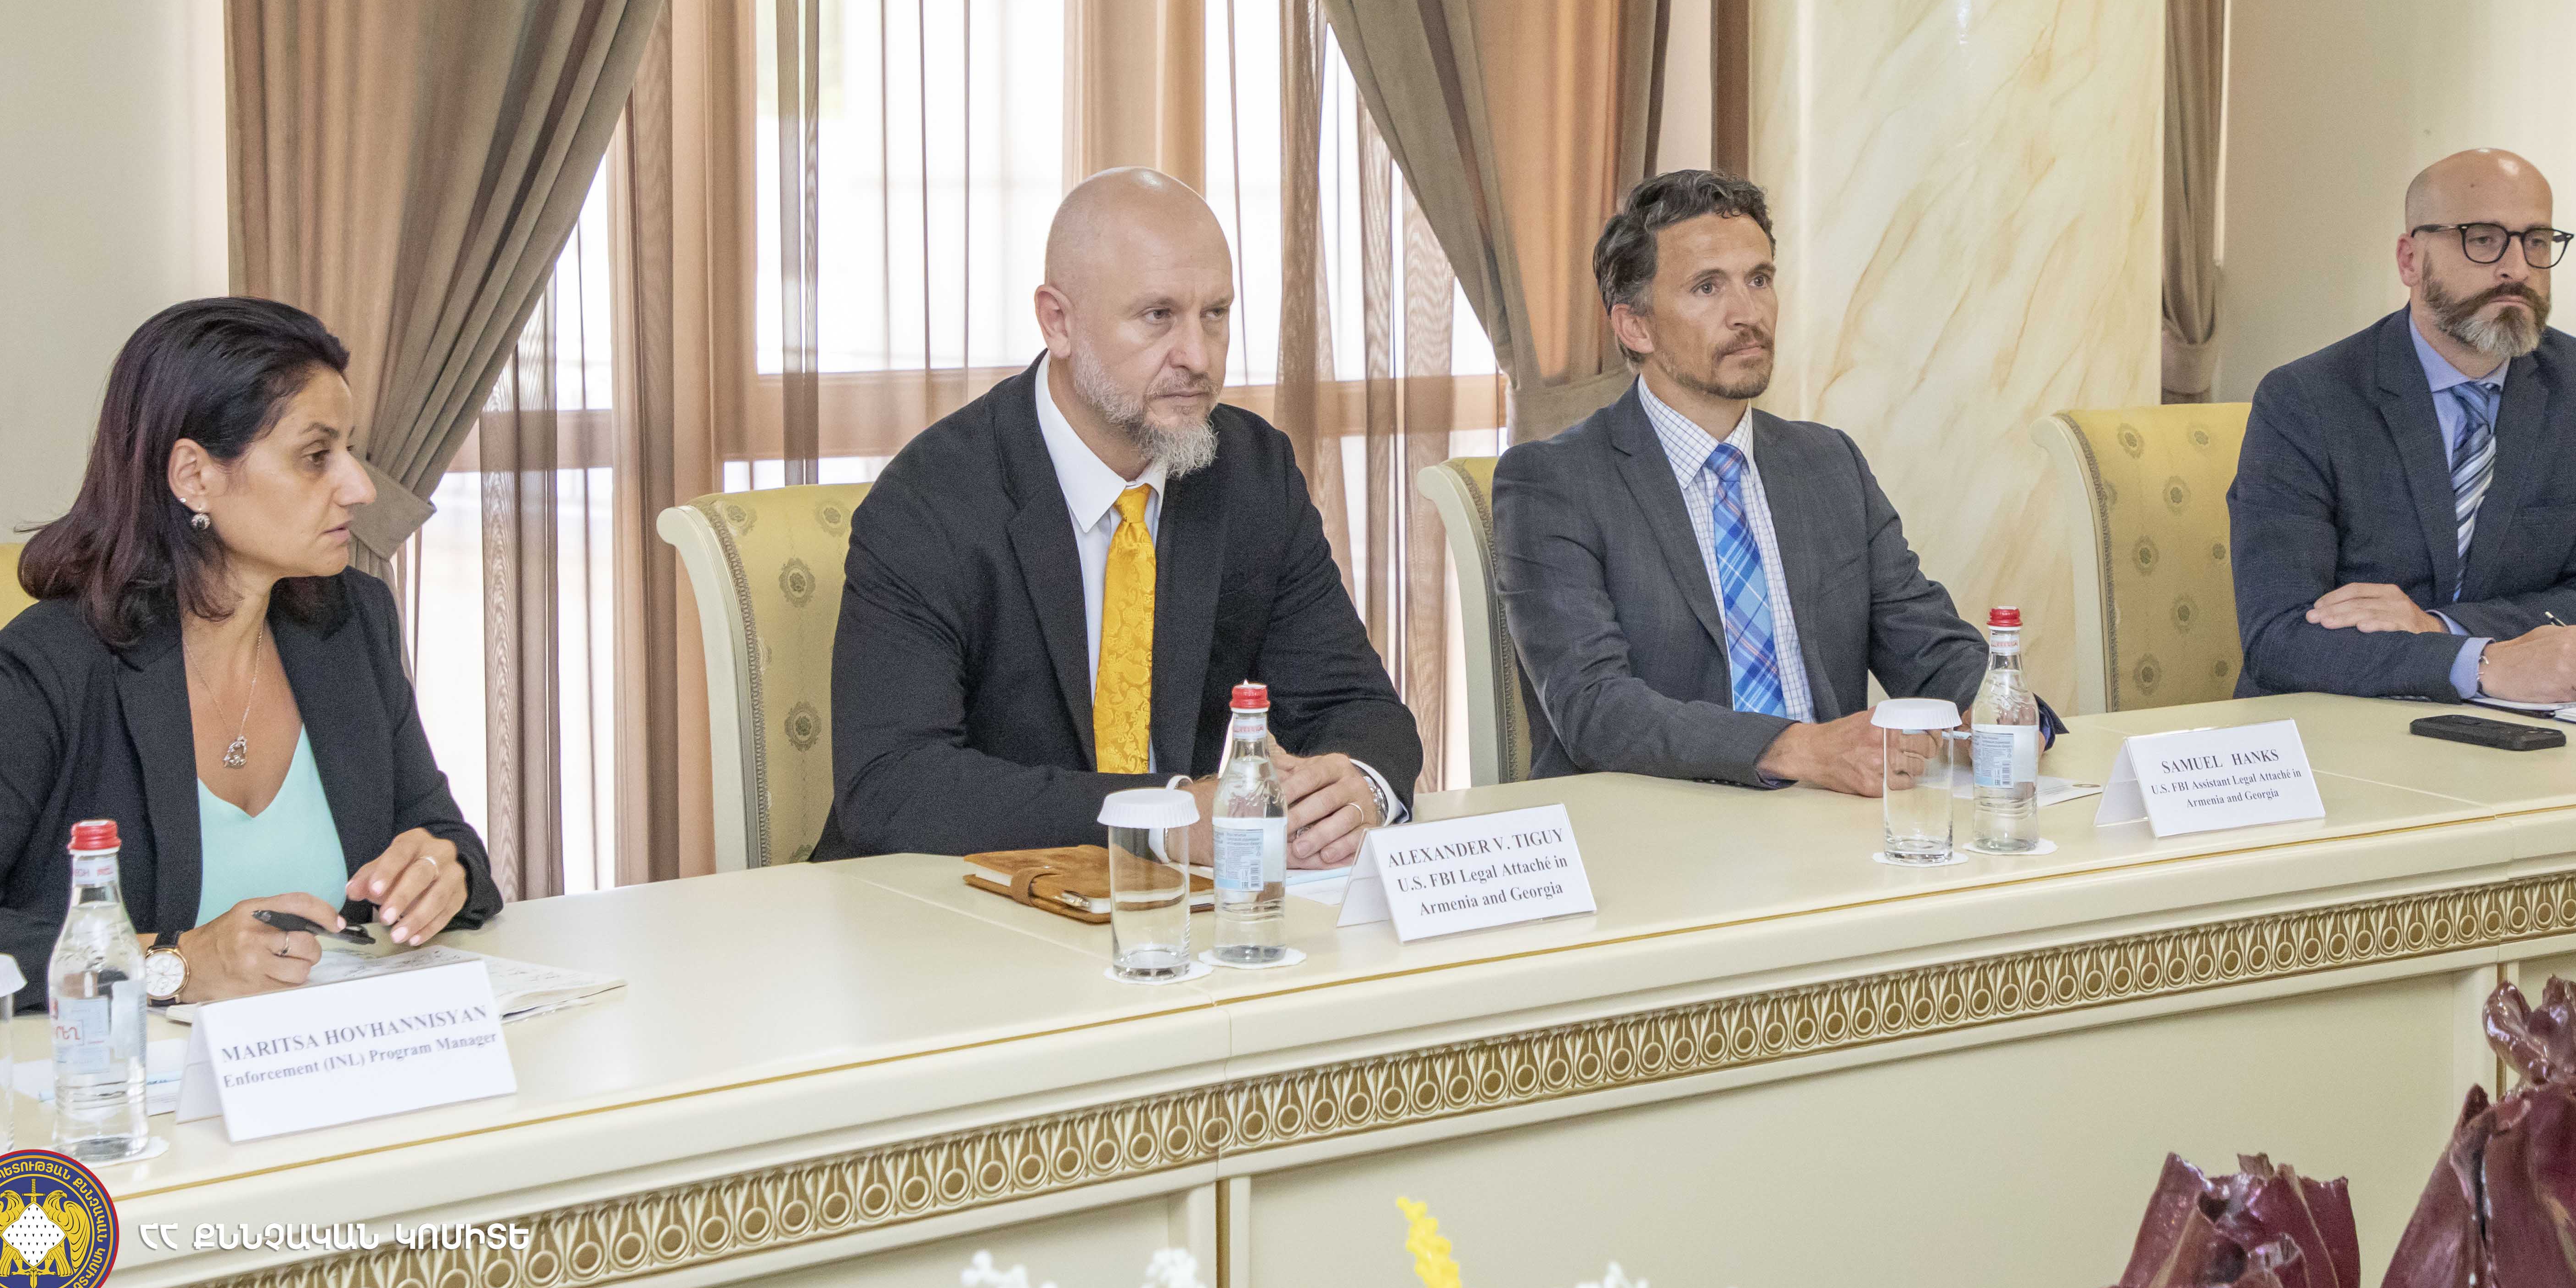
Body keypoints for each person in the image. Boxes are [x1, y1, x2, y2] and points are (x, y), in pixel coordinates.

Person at [0, 298, 501, 1011]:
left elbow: (441, 834)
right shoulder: (54, 666)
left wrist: (446, 870)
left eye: (350, 451)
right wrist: (172, 962)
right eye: (317, 456)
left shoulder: (351, 625)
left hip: (334, 1057)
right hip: (120, 1075)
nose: (361, 487)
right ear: (194, 475)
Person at [821, 169, 1423, 863]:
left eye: (1216, 314)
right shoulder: (930, 501)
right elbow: (894, 786)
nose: (1198, 356)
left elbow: (1358, 709)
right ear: (1059, 321)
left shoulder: (1254, 474)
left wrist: (1355, 792)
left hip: (1192, 910)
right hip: (960, 904)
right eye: (1158, 315)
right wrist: (1167, 816)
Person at [1491, 171, 2036, 795]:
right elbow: (1595, 707)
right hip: (1654, 824)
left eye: (1759, 279)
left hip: (1831, 820)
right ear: (1636, 327)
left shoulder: (1828, 463)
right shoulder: (1552, 482)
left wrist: (2002, 710)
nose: (1748, 314)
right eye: (1707, 287)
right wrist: (1798, 748)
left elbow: (1927, 646)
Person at [2229, 148, 2576, 703]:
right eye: (2483, 239)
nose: (2518, 268)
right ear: (2410, 260)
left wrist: (2443, 631)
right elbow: (2280, 637)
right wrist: (2478, 663)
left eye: (2537, 241)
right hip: (2336, 719)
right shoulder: (2307, 400)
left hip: (2523, 717)